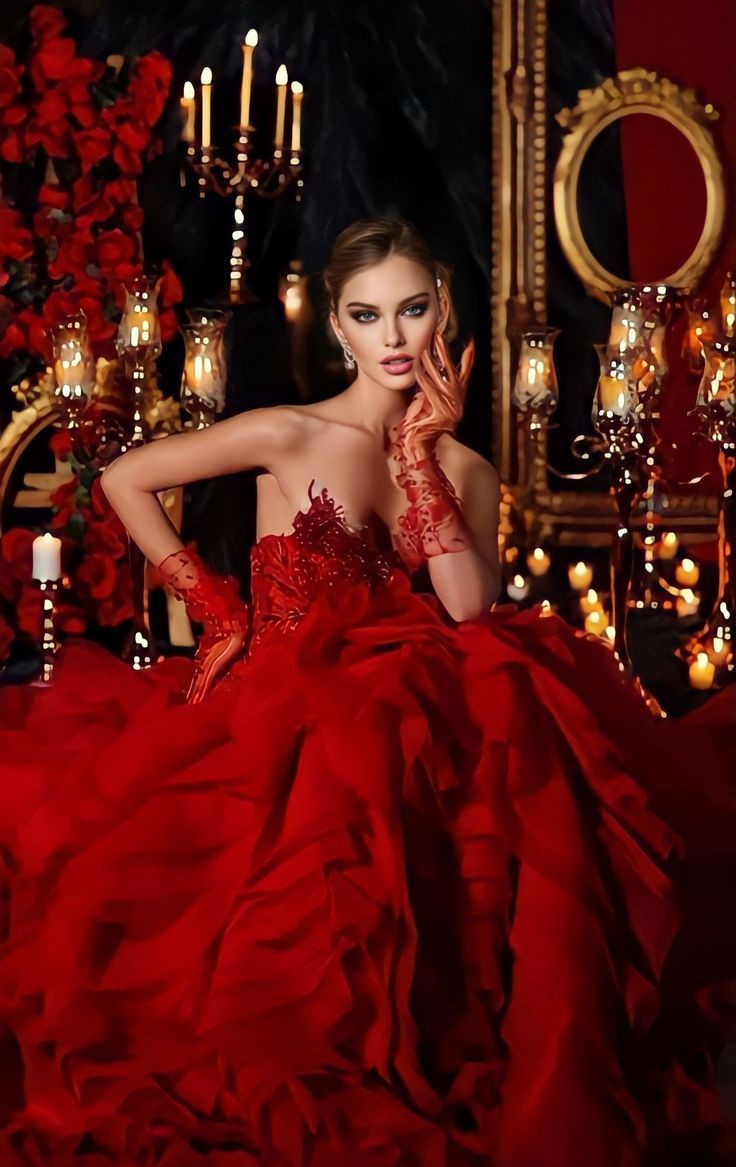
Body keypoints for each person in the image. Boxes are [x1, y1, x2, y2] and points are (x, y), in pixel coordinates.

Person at [0, 216, 734, 1167]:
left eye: (413, 310)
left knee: (507, 699)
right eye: (367, 314)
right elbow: (128, 480)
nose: (393, 337)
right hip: (276, 716)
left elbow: (470, 608)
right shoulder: (289, 430)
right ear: (340, 331)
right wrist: (216, 611)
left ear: (444, 316)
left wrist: (419, 457)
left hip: (397, 717)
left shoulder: (465, 467)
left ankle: (445, 1027)